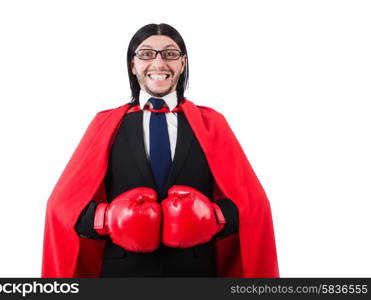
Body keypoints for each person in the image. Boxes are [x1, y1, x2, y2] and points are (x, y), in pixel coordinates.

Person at [41, 23, 279, 278]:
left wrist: (213, 218)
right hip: (122, 277)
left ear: (183, 63)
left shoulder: (212, 124)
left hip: (196, 275)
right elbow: (63, 208)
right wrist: (107, 219)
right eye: (146, 54)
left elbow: (253, 206)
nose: (158, 62)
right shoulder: (105, 125)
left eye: (170, 53)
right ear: (133, 65)